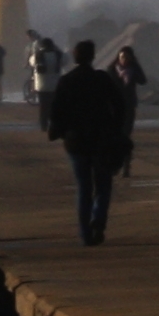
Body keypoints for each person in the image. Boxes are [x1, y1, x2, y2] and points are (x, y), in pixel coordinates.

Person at [47, 40, 128, 245]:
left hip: (75, 142)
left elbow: (56, 112)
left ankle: (85, 235)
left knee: (83, 187)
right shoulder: (102, 78)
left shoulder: (66, 81)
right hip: (101, 139)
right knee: (103, 184)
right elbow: (119, 105)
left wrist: (60, 131)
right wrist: (116, 129)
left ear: (75, 57)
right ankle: (98, 220)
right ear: (92, 56)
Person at [111, 46, 148, 177]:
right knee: (115, 137)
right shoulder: (112, 70)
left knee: (126, 137)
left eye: (127, 57)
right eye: (122, 57)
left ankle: (126, 166)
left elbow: (143, 80)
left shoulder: (134, 70)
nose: (124, 60)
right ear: (118, 57)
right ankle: (115, 165)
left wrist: (135, 69)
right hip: (114, 108)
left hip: (129, 107)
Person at [31, 37, 64, 131]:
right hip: (55, 84)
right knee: (54, 106)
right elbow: (66, 60)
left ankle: (43, 125)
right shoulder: (57, 54)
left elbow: (31, 62)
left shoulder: (37, 55)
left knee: (43, 106)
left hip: (41, 85)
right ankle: (54, 124)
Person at [22, 29, 42, 103]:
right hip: (35, 63)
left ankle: (33, 94)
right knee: (33, 80)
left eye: (28, 36)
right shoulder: (36, 42)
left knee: (34, 80)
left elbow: (33, 53)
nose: (27, 38)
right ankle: (33, 95)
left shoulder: (35, 43)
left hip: (36, 64)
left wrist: (27, 63)